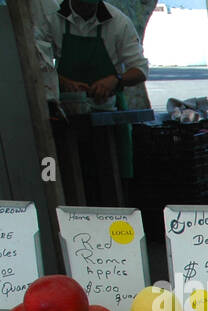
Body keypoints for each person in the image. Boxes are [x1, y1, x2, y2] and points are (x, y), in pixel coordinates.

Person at [34, 0, 150, 179]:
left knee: (110, 175)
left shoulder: (118, 22)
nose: (85, 5)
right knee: (66, 175)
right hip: (64, 112)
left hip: (106, 113)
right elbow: (34, 60)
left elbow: (140, 70)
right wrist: (60, 81)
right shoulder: (52, 18)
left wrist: (116, 80)